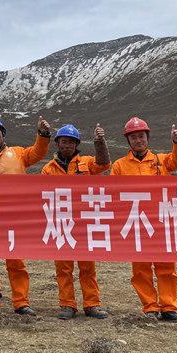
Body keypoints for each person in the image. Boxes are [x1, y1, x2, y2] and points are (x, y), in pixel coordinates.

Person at [0, 116, 51, 315]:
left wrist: (43, 134)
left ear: (3, 134)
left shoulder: (19, 153)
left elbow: (38, 152)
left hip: (14, 217)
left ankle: (21, 302)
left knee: (16, 262)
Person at [110, 117, 177, 323]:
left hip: (161, 221)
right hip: (136, 223)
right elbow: (113, 194)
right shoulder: (119, 166)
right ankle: (150, 306)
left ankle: (169, 307)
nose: (138, 140)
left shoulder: (162, 160)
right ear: (128, 141)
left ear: (147, 138)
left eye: (141, 136)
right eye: (134, 137)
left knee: (166, 267)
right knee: (140, 269)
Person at [40, 123, 111, 320]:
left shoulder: (86, 162)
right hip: (61, 222)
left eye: (71, 142)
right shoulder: (48, 169)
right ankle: (67, 305)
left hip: (84, 222)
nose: (67, 145)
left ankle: (92, 304)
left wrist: (100, 142)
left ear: (77, 144)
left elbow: (104, 163)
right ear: (57, 143)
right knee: (63, 268)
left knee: (87, 267)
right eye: (64, 141)